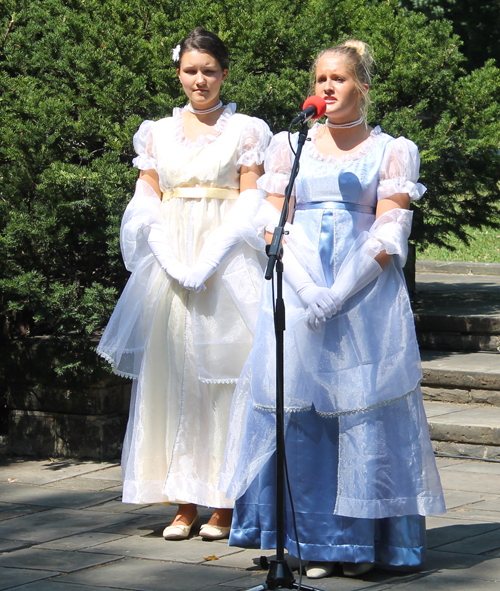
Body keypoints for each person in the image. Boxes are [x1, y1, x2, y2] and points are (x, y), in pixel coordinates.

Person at [219, 39, 445, 578]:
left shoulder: (391, 150)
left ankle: (358, 544)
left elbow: (390, 228)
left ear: (362, 86)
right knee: (301, 408)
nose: (326, 87)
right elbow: (270, 220)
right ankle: (307, 541)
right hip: (301, 294)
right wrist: (303, 287)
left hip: (363, 298)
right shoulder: (288, 145)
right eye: (320, 77)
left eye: (338, 79)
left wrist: (341, 290)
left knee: (359, 411)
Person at [97, 28, 271, 541]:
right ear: (179, 72)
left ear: (223, 73)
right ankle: (183, 500)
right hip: (172, 261)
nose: (201, 80)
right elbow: (146, 194)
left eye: (210, 71)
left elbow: (251, 197)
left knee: (223, 377)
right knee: (174, 376)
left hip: (224, 261)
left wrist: (214, 253)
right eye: (192, 70)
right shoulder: (156, 131)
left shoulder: (246, 129)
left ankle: (224, 500)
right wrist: (164, 248)